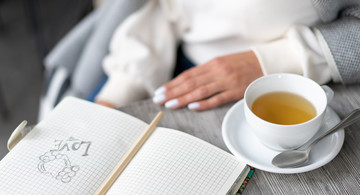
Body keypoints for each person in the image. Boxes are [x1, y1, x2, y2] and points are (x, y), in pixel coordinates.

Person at [95, 0, 360, 111]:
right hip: (150, 55)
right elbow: (167, 8)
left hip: (290, 86)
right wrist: (125, 85)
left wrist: (278, 58)